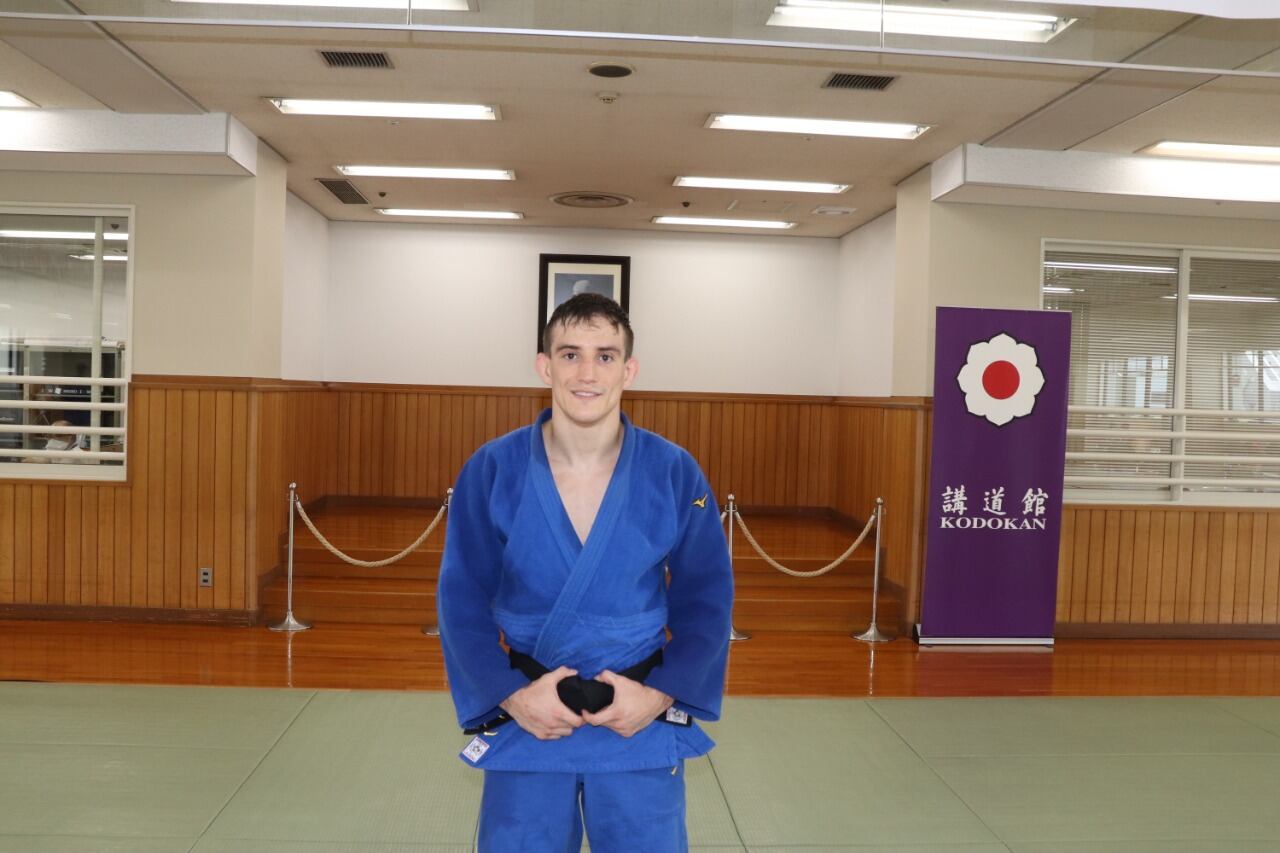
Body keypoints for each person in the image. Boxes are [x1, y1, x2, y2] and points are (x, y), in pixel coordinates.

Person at [437, 293, 734, 852]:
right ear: (545, 366)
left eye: (605, 356)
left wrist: (660, 694)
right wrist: (510, 696)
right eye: (570, 355)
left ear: (629, 369)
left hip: (636, 717)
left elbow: (707, 600)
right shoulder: (493, 468)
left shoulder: (672, 471)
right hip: (531, 714)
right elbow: (461, 601)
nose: (587, 373)